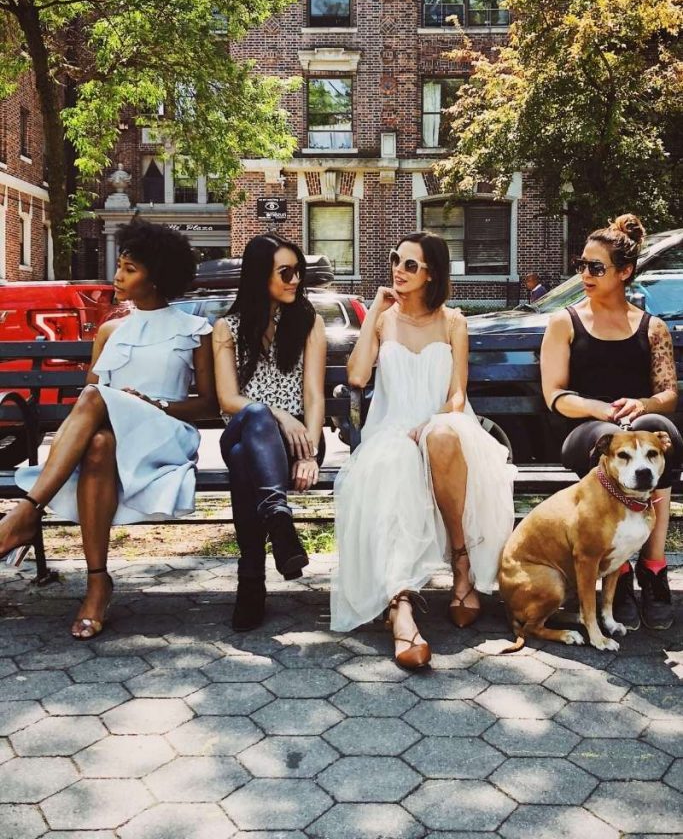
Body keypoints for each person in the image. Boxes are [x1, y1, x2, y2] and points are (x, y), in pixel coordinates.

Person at [0, 219, 216, 639]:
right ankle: (98, 583)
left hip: (163, 436)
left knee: (95, 397)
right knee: (97, 442)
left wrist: (154, 404)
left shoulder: (194, 329)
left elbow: (208, 404)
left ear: (156, 277)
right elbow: (92, 407)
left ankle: (26, 512)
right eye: (120, 265)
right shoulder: (110, 330)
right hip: (114, 439)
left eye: (130, 268)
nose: (118, 275)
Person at [331, 232, 516, 669]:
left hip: (443, 423)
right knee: (395, 463)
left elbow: (457, 394)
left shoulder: (453, 321)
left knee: (442, 435)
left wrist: (433, 420)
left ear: (431, 272)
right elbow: (357, 378)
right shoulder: (383, 320)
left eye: (411, 264)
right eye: (396, 259)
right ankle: (401, 606)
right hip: (390, 431)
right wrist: (376, 308)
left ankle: (462, 564)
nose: (399, 269)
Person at [541, 213, 682, 630]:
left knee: (665, 434)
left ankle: (652, 567)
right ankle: (615, 572)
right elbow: (555, 395)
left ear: (625, 272)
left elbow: (668, 394)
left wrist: (642, 403)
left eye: (596, 267)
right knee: (609, 438)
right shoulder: (564, 322)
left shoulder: (651, 327)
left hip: (637, 430)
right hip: (583, 428)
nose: (585, 273)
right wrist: (598, 409)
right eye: (582, 264)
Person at [213, 233, 326, 631]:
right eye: (285, 272)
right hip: (246, 428)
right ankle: (278, 517)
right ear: (261, 276)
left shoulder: (309, 322)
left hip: (297, 444)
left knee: (247, 460)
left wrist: (309, 451)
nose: (295, 279)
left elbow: (313, 394)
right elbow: (229, 400)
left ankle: (252, 581)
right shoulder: (228, 327)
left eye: (298, 271)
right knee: (256, 418)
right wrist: (278, 413)